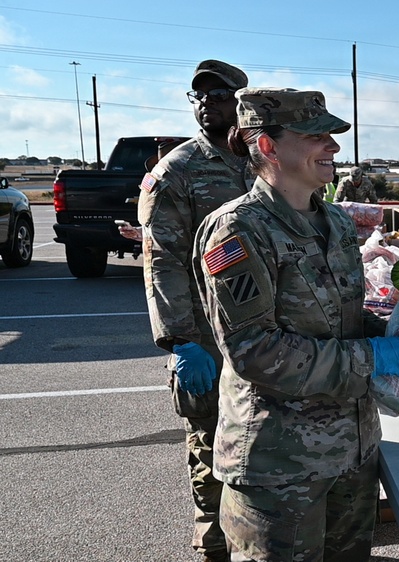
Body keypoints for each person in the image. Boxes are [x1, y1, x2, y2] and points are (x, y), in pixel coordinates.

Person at [193, 87, 399, 561]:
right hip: (279, 467)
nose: (334, 146)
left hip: (352, 454)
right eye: (315, 136)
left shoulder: (336, 223)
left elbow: (342, 320)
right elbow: (254, 351)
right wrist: (372, 356)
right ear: (268, 145)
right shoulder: (239, 229)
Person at [137, 59, 254, 562]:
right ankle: (213, 543)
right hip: (204, 335)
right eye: (200, 96)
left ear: (241, 102)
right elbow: (161, 260)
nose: (208, 103)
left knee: (257, 438)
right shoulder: (176, 171)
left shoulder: (260, 158)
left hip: (261, 330)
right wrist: (179, 339)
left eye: (219, 95)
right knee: (210, 442)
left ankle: (255, 538)